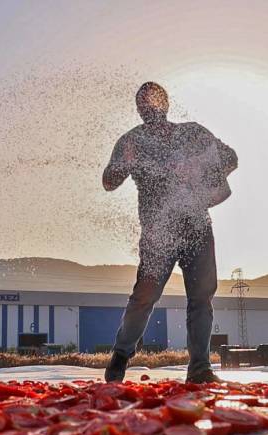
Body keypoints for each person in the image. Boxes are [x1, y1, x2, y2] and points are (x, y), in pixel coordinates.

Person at [102, 82, 238, 384]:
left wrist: (201, 178)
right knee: (145, 296)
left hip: (196, 227)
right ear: (138, 110)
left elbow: (230, 158)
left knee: (201, 298)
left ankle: (200, 367)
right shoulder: (131, 141)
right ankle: (121, 356)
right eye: (144, 104)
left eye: (154, 102)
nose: (149, 108)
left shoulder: (192, 133)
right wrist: (124, 161)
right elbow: (109, 181)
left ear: (165, 104)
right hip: (157, 232)